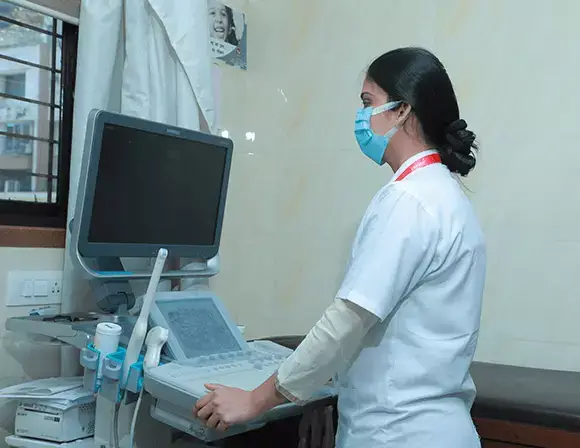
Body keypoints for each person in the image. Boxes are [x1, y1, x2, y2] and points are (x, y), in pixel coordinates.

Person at [194, 47, 486, 447]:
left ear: (403, 111)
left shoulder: (409, 200)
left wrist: (255, 400)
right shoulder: (447, 194)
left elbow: (348, 320)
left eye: (369, 103)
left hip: (397, 431)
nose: (361, 117)